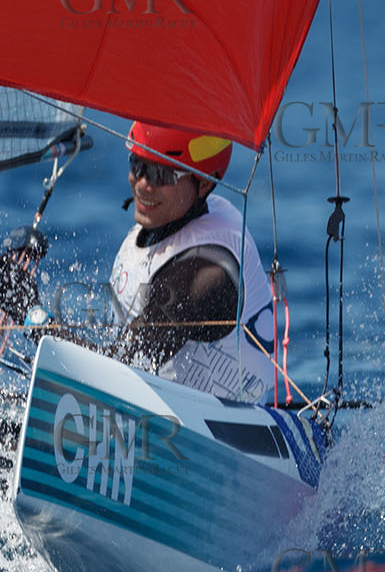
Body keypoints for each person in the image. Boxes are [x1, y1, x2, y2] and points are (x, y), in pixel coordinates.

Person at [106, 121, 278, 402]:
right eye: (137, 165)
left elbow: (116, 370)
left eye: (161, 174)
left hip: (221, 438)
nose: (143, 184)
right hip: (157, 419)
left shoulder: (205, 274)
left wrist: (33, 316)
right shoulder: (169, 220)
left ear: (204, 182)